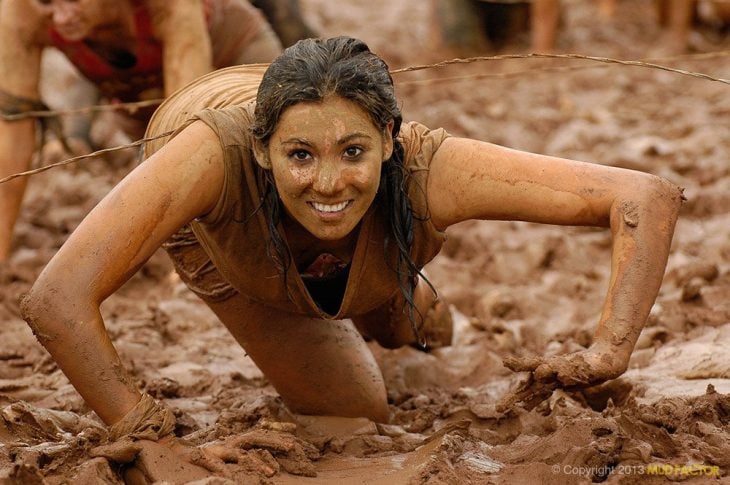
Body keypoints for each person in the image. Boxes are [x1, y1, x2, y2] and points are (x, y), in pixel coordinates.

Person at [20, 36, 683, 480]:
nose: (330, 181)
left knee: (407, 329)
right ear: (263, 150)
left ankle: (395, 295)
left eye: (355, 153)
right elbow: (56, 299)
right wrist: (151, 439)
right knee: (355, 404)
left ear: (389, 139)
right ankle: (377, 287)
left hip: (345, 190)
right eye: (300, 156)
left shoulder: (429, 163)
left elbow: (643, 196)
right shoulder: (210, 159)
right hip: (229, 234)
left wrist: (609, 351)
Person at [0, 0, 286, 263]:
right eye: (48, 2)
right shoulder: (22, 12)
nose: (61, 16)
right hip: (135, 92)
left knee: (272, 147)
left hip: (227, 59)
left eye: (74, 0)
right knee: (154, 167)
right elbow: (14, 127)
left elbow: (186, 128)